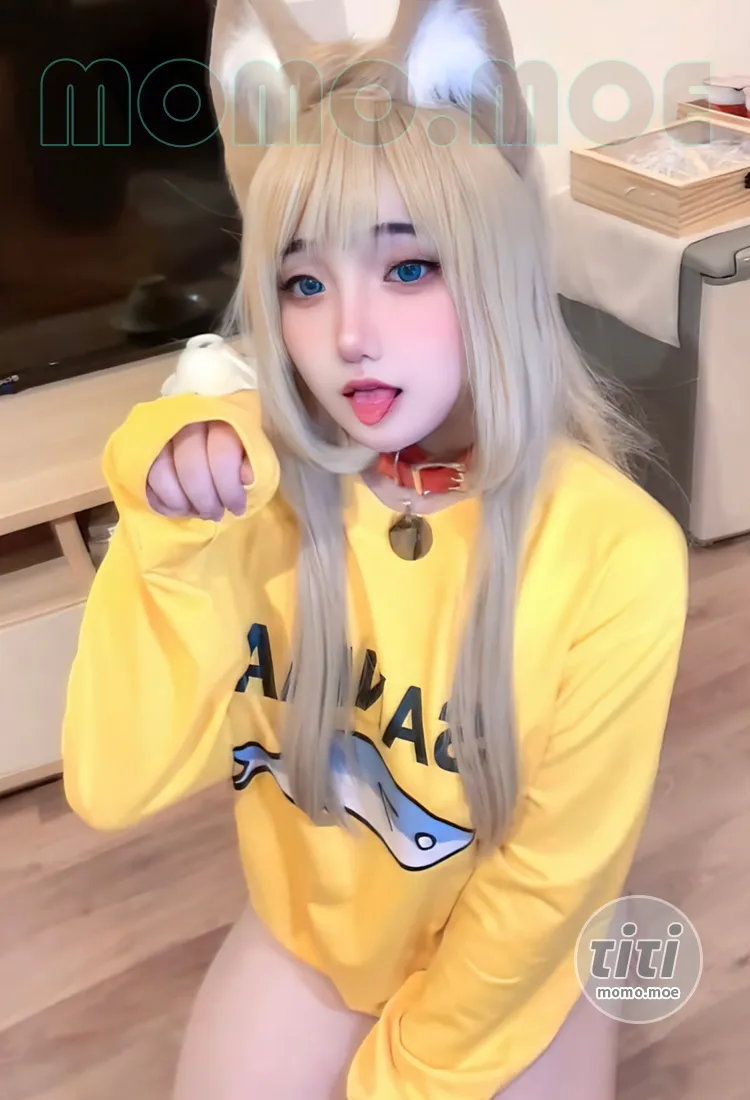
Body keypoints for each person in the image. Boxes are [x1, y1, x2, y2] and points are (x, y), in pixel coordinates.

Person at [61, 1, 690, 1097]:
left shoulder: (614, 557)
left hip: (507, 970)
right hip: (316, 940)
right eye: (304, 282)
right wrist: (170, 530)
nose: (349, 334)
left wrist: (398, 1078)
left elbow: (546, 888)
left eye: (408, 267)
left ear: (494, 260)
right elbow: (114, 784)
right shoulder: (250, 497)